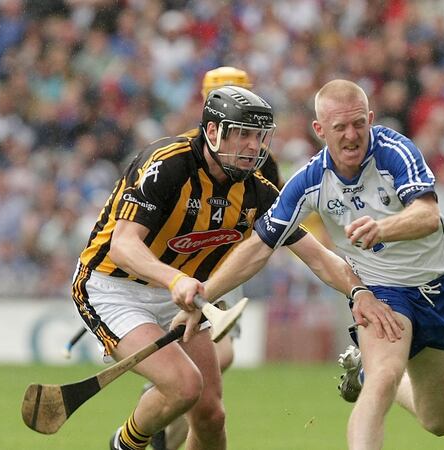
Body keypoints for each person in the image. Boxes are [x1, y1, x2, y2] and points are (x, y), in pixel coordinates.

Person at [72, 84, 402, 450]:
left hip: (184, 295)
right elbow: (123, 245)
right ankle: (125, 445)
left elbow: (318, 256)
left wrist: (360, 292)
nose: (252, 146)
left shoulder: (257, 192)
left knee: (211, 416)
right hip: (112, 286)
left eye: (259, 137)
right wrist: (175, 279)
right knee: (184, 385)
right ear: (212, 132)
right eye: (241, 134)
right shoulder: (169, 164)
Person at [176, 80, 444, 450]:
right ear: (320, 129)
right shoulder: (310, 182)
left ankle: (361, 372)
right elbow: (260, 247)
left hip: (440, 288)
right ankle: (371, 374)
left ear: (370, 120)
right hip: (381, 292)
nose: (351, 135)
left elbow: (427, 215)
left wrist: (382, 228)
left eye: (359, 123)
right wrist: (204, 296)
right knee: (385, 377)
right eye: (339, 127)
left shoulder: (395, 151)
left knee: (438, 421)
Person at [151, 65, 284, 450]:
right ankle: (162, 411)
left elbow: (268, 226)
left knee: (216, 363)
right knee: (208, 367)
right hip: (179, 273)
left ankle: (164, 412)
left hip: (224, 266)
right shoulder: (181, 152)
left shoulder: (260, 161)